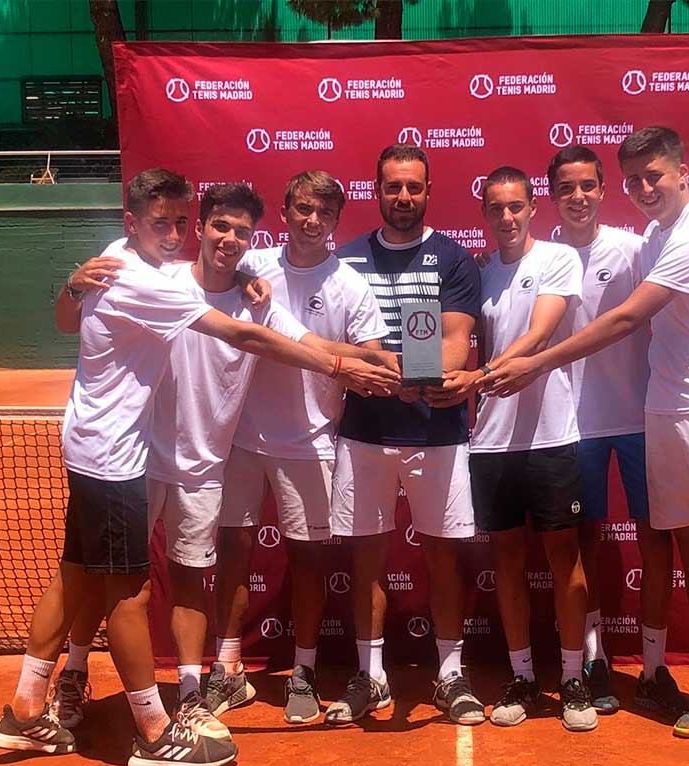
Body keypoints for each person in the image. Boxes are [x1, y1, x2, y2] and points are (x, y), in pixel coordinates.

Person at [0, 169, 397, 766]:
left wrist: (382, 360)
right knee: (125, 591)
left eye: (185, 222)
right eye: (181, 224)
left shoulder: (147, 264)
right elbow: (243, 336)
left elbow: (286, 331)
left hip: (158, 459)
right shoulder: (157, 281)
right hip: (126, 456)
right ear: (140, 225)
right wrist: (338, 367)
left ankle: (32, 707)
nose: (193, 234)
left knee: (83, 574)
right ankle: (152, 731)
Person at [482, 128, 689, 766]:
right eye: (633, 179)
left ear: (682, 171)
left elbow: (629, 318)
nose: (642, 188)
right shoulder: (658, 237)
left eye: (652, 176)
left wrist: (536, 364)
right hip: (664, 411)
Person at [210, 171, 391, 725]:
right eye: (303, 209)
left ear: (338, 221)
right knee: (233, 553)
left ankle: (304, 673)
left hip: (311, 441)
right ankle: (228, 668)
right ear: (285, 212)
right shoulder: (250, 267)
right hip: (239, 435)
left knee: (308, 561)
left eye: (325, 213)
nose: (313, 221)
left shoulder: (352, 286)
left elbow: (369, 355)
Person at [431, 165, 597, 733]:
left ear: (532, 208)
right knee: (506, 562)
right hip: (492, 443)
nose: (506, 217)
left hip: (552, 436)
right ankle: (523, 675)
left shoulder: (556, 259)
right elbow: (448, 334)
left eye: (516, 207)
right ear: (484, 214)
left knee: (563, 559)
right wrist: (424, 373)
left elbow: (539, 337)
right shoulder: (476, 275)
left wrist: (476, 379)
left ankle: (573, 679)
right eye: (495, 208)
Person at [327, 144, 486, 726]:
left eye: (413, 187)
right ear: (376, 190)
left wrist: (393, 369)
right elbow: (342, 343)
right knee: (366, 559)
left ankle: (449, 674)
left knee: (444, 556)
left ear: (428, 190)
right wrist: (377, 366)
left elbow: (452, 344)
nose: (403, 198)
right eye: (393, 187)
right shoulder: (344, 262)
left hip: (437, 431)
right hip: (365, 431)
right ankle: (370, 677)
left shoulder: (454, 260)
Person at [546, 145, 687, 719]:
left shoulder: (636, 250)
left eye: (587, 186)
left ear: (604, 190)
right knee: (586, 546)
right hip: (570, 427)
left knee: (656, 540)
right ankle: (596, 658)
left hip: (638, 421)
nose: (577, 197)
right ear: (552, 195)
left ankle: (653, 668)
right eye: (565, 188)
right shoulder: (543, 257)